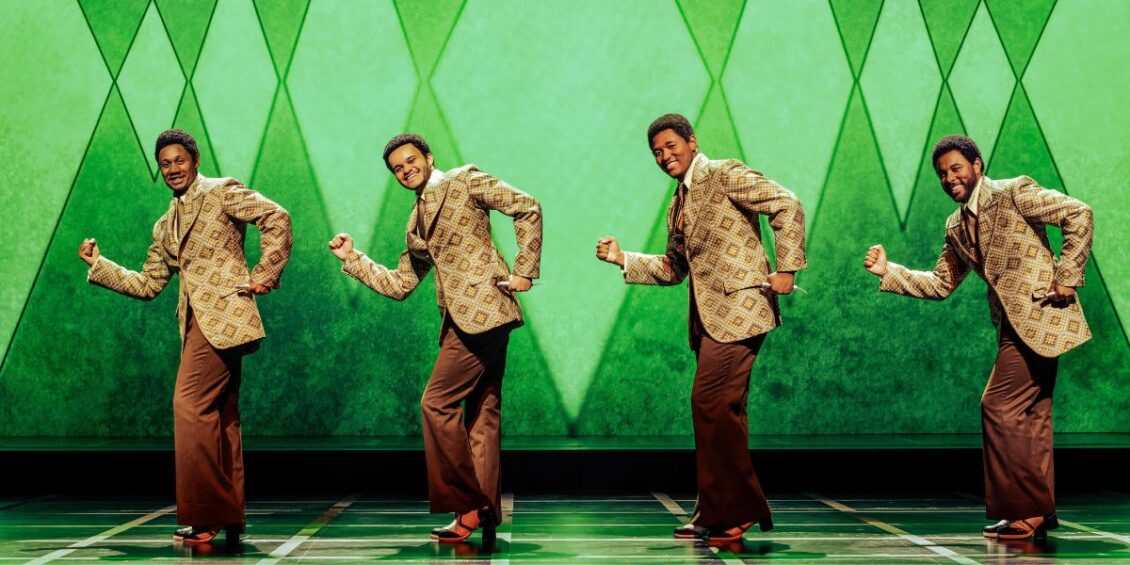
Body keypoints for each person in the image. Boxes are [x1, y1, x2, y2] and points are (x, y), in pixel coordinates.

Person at [864, 134, 1093, 540]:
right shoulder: (956, 226)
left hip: (1042, 316)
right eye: (942, 174)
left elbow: (1079, 213)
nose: (949, 178)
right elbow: (940, 283)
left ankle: (1025, 509)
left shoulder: (1013, 192)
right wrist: (889, 271)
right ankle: (1038, 510)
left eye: (956, 168)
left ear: (977, 165)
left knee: (999, 405)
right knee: (1032, 415)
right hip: (1010, 327)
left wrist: (1067, 277)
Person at [596, 114, 806, 542]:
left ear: (692, 142)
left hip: (742, 310)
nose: (664, 156)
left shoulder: (723, 174)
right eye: (656, 152)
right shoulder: (678, 202)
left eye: (670, 146)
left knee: (710, 403)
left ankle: (740, 509)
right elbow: (674, 268)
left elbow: (787, 203)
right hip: (710, 320)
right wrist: (623, 259)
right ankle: (714, 510)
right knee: (720, 410)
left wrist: (787, 267)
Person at [79, 129, 292, 545]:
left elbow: (277, 217)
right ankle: (229, 516)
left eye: (179, 160)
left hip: (226, 319)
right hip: (195, 324)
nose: (173, 168)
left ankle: (207, 515)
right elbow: (148, 284)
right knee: (221, 417)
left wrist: (265, 273)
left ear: (195, 160)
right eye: (165, 164)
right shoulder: (165, 225)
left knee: (189, 405)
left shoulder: (221, 191)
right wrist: (99, 264)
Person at [329, 133, 542, 543]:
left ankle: (467, 503)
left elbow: (527, 206)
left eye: (411, 161)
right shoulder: (416, 222)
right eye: (397, 169)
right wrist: (352, 258)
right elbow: (400, 284)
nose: (406, 170)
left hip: (484, 312)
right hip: (461, 321)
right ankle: (484, 512)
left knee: (436, 403)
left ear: (429, 157)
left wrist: (525, 271)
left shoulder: (464, 180)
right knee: (482, 414)